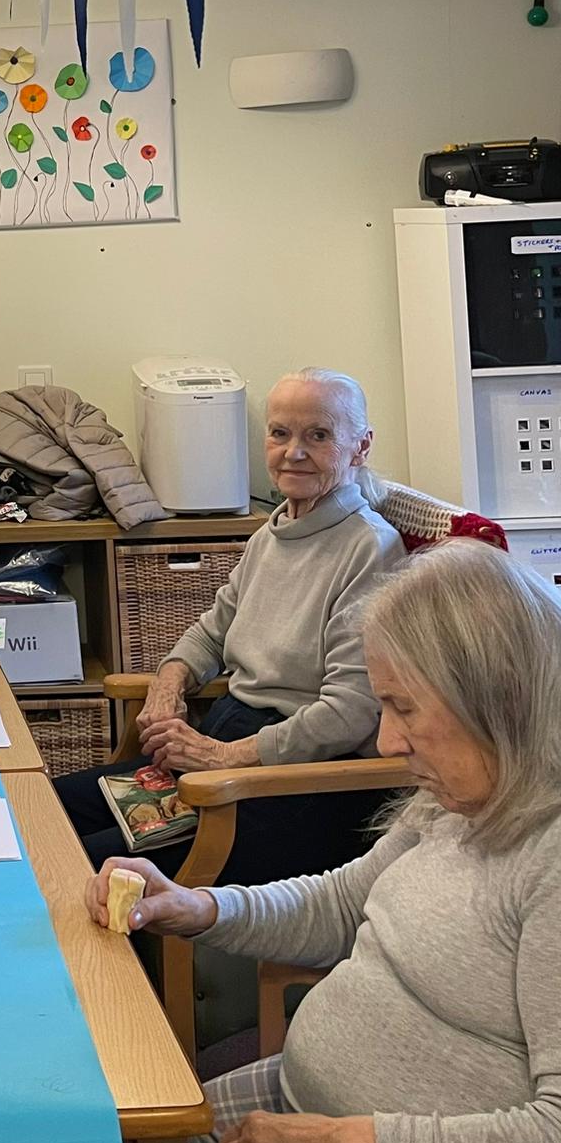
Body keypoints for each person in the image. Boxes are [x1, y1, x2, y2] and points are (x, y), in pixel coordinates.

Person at [87, 539, 561, 1143]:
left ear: (499, 700)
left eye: (404, 708)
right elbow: (342, 905)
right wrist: (199, 907)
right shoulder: (463, 796)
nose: (387, 741)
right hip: (303, 1109)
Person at [56, 367, 407, 885]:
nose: (294, 452)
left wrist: (224, 756)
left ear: (361, 447)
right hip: (224, 752)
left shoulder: (369, 549)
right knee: (45, 811)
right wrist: (168, 685)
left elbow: (348, 714)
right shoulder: (273, 532)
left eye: (319, 435)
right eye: (280, 433)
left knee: (73, 864)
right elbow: (212, 631)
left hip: (296, 784)